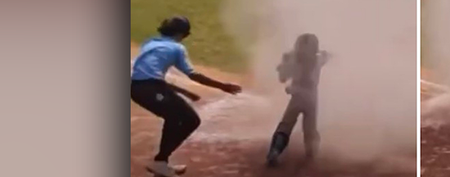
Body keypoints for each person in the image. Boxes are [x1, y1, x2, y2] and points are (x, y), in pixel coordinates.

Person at [131, 16, 242, 177]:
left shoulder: (150, 43)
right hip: (150, 89)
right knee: (190, 120)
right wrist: (223, 86)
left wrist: (186, 93)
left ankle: (161, 163)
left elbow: (151, 78)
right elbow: (193, 75)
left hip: (138, 89)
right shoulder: (177, 48)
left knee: (174, 117)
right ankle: (160, 161)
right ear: (181, 34)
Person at [266, 33, 332, 167]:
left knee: (286, 125)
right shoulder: (318, 60)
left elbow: (282, 79)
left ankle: (275, 151)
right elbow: (326, 56)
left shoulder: (293, 60)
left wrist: (282, 65)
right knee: (310, 128)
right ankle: (311, 152)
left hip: (297, 95)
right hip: (312, 98)